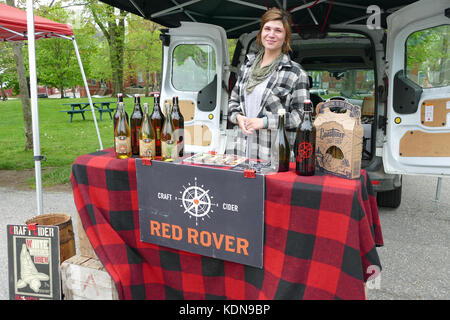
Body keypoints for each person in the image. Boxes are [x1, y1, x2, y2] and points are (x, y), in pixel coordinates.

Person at [227, 7, 310, 162]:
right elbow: (233, 102)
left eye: (278, 30)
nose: (271, 34)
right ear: (261, 33)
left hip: (273, 156)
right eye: (267, 29)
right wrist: (238, 117)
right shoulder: (247, 67)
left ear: (286, 37)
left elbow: (301, 117)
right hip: (240, 151)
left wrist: (264, 122)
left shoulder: (296, 73)